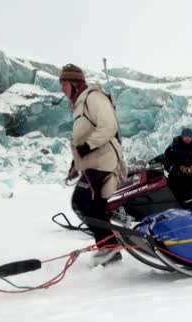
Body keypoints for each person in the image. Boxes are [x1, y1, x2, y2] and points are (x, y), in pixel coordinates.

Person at [60, 64, 126, 266]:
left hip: (104, 160)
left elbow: (109, 126)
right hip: (94, 162)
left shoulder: (93, 97)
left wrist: (86, 148)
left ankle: (109, 248)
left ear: (74, 83)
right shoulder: (79, 104)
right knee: (93, 205)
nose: (62, 89)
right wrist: (76, 163)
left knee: (83, 202)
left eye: (63, 84)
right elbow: (83, 139)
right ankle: (108, 248)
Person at [163, 128, 192, 210]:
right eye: (185, 136)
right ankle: (187, 208)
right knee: (181, 184)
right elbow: (166, 162)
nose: (187, 138)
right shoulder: (173, 147)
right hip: (178, 174)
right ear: (182, 136)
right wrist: (180, 168)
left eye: (189, 136)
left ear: (191, 137)